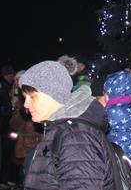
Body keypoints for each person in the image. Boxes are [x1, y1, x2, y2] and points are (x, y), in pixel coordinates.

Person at [19, 60, 114, 190]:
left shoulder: (77, 136)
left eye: (32, 97)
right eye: (25, 98)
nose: (25, 104)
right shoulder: (61, 130)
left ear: (53, 94)